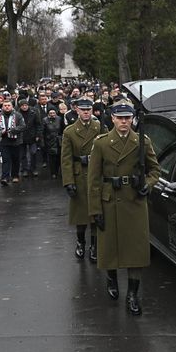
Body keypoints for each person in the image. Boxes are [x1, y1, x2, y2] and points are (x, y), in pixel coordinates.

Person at [87, 100, 160, 315]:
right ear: (112, 119)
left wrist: (147, 185)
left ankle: (133, 294)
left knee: (134, 250)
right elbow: (93, 180)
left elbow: (155, 170)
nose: (124, 122)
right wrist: (94, 210)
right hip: (109, 201)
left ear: (132, 119)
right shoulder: (101, 143)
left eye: (127, 118)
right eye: (120, 118)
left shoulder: (142, 142)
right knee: (110, 247)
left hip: (134, 201)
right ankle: (111, 277)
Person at [61, 98, 107, 263]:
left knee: (96, 213)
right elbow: (65, 159)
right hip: (79, 174)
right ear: (77, 110)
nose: (86, 112)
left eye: (88, 109)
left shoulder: (99, 127)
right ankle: (80, 242)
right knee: (80, 215)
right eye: (83, 109)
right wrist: (68, 182)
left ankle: (94, 245)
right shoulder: (70, 131)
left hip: (96, 175)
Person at [0, 100, 25, 185]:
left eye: (8, 105)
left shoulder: (18, 115)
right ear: (2, 107)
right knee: (6, 160)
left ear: (12, 106)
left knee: (15, 159)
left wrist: (12, 130)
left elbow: (23, 126)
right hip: (4, 142)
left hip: (16, 141)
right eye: (5, 105)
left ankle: (15, 176)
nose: (7, 107)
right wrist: (1, 131)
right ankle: (5, 177)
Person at [18, 99, 42, 177]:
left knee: (33, 153)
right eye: (22, 106)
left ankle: (33, 168)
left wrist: (38, 135)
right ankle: (25, 169)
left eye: (26, 105)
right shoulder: (17, 114)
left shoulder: (33, 112)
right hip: (22, 136)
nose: (24, 107)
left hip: (32, 136)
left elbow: (38, 124)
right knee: (23, 154)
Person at [41, 109, 62, 179]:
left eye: (54, 112)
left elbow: (62, 129)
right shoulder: (45, 120)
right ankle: (53, 172)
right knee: (52, 158)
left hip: (58, 141)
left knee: (59, 157)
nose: (52, 114)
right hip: (49, 141)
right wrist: (43, 142)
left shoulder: (59, 119)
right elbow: (42, 131)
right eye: (51, 113)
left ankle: (58, 170)